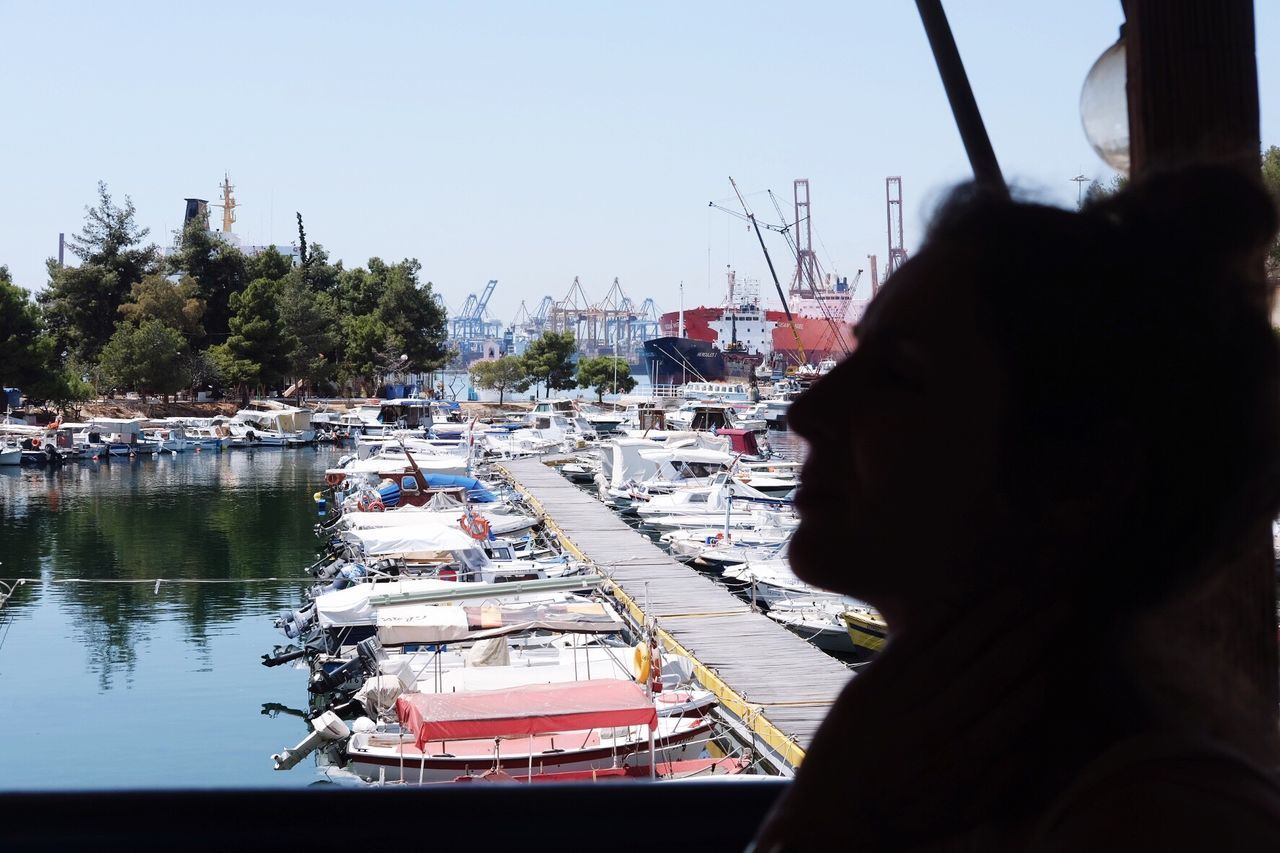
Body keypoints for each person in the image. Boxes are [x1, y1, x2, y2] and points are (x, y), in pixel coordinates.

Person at [751, 166, 1280, 852]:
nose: (808, 409)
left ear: (1080, 473)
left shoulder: (1157, 822)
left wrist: (823, 818)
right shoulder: (1027, 793)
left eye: (901, 374)